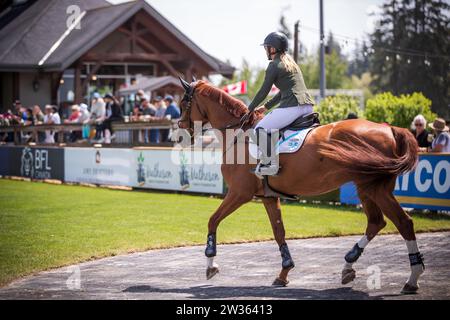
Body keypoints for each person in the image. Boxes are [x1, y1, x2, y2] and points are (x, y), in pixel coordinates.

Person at [243, 31, 315, 176]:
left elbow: (263, 91)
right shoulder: (292, 65)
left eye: (266, 48)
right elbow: (283, 91)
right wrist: (266, 107)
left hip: (293, 107)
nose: (266, 51)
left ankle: (270, 164)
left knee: (260, 129)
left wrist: (249, 109)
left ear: (273, 49)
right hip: (307, 106)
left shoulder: (274, 65)